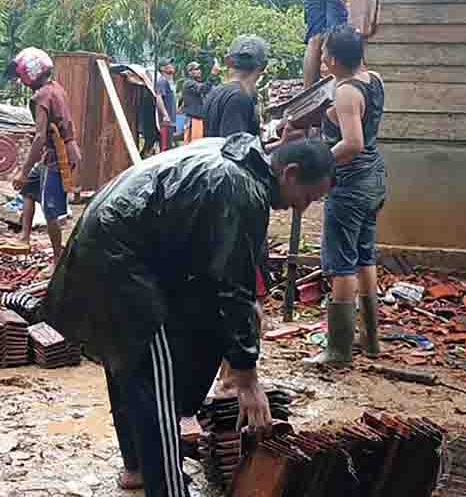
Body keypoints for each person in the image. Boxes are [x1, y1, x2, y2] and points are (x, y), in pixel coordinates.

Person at [45, 136, 335, 497]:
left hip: (107, 242)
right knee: (155, 378)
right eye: (307, 198)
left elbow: (224, 265)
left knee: (129, 366)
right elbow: (230, 286)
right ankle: (167, 489)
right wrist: (246, 376)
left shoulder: (237, 160)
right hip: (120, 258)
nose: (301, 209)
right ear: (290, 174)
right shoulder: (242, 188)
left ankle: (137, 468)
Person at [319, 25, 387, 365]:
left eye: (323, 52)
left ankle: (338, 350)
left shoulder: (346, 91)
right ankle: (371, 341)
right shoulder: (374, 79)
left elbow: (353, 142)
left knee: (342, 264)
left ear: (332, 58)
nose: (320, 57)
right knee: (365, 257)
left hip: (350, 183)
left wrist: (319, 161)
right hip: (374, 178)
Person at [7, 48, 80, 261]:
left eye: (21, 76)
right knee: (29, 188)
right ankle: (24, 237)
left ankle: (58, 259)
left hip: (58, 157)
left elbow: (39, 137)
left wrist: (22, 171)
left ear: (31, 73)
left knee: (50, 211)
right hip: (59, 152)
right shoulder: (55, 88)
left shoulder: (41, 97)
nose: (21, 80)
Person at [203, 35, 267, 139]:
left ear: (227, 61)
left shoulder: (215, 92)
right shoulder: (238, 97)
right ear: (263, 66)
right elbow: (235, 151)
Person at [178, 60, 216, 145]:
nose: (199, 71)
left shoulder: (195, 83)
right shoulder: (189, 83)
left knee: (197, 144)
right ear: (190, 72)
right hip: (193, 119)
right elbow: (203, 89)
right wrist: (213, 74)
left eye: (199, 69)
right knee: (193, 145)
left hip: (198, 119)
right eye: (196, 69)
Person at [155, 58, 177, 151]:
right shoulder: (162, 81)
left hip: (170, 121)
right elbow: (158, 97)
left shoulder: (168, 82)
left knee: (169, 147)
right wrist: (165, 115)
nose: (172, 66)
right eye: (169, 64)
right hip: (166, 121)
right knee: (165, 149)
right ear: (162, 68)